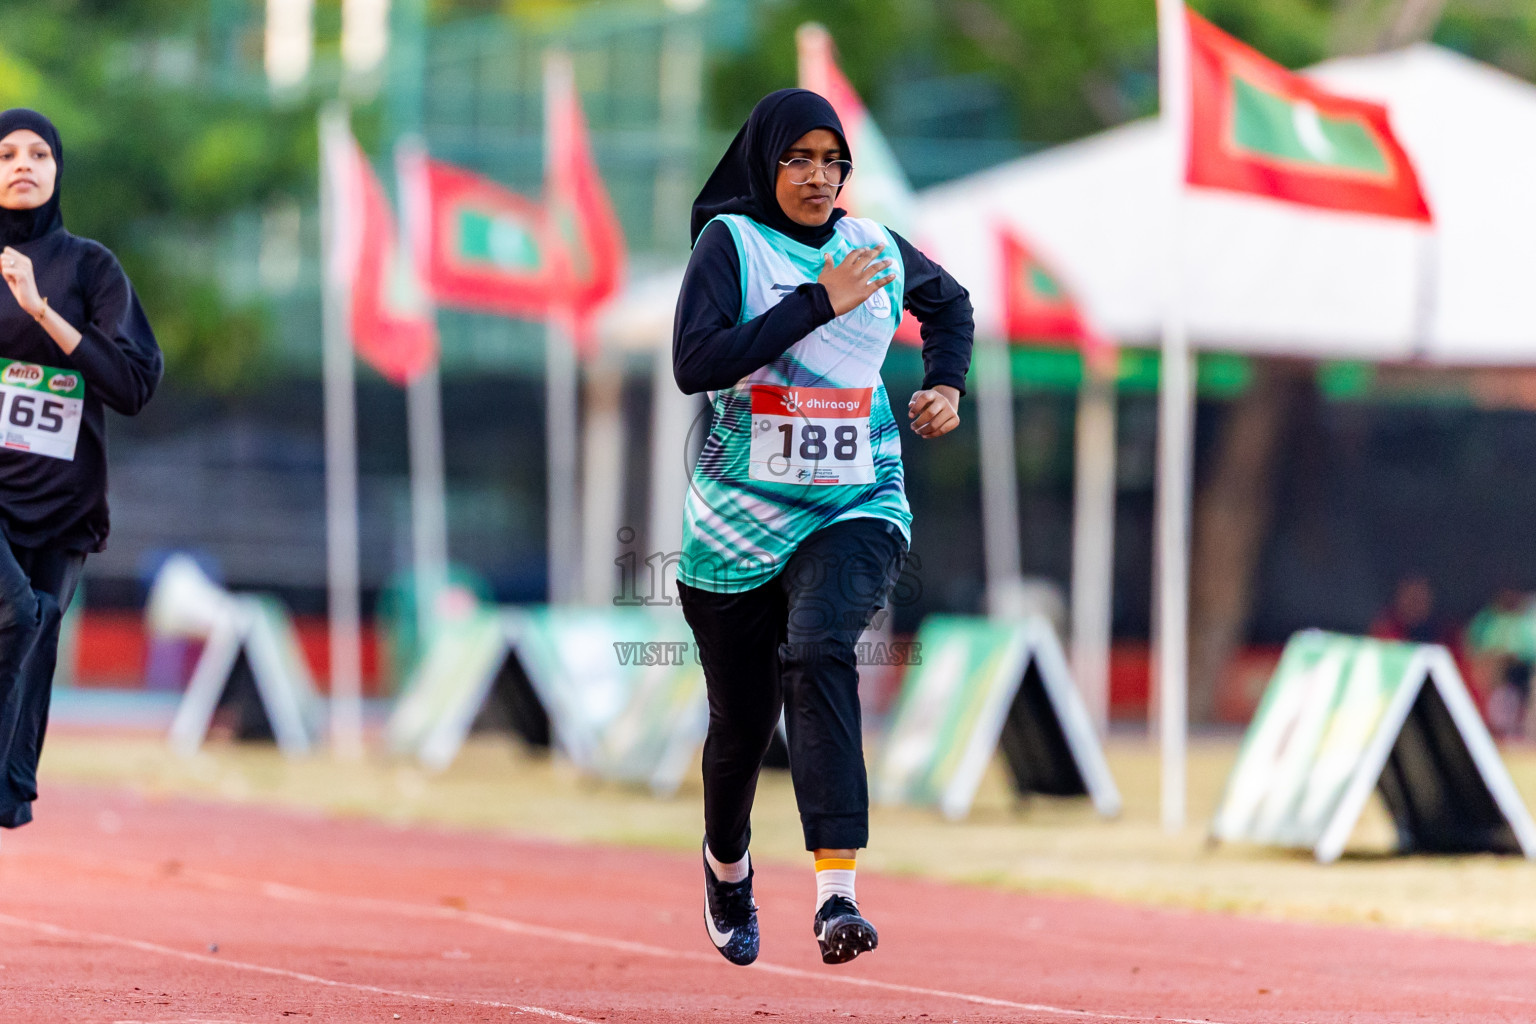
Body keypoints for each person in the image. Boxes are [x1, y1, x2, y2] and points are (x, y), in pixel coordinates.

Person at [672, 89, 973, 966]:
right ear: (764, 163)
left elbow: (949, 306)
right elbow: (697, 362)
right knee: (742, 722)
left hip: (856, 500)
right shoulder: (729, 245)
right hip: (735, 524)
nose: (817, 176)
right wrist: (816, 302)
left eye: (831, 159)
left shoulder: (874, 244)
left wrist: (946, 383)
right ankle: (727, 867)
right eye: (798, 158)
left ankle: (837, 893)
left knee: (818, 649)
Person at [0, 109, 162, 833]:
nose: (23, 164)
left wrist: (40, 311)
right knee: (16, 614)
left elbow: (130, 386)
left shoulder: (92, 269)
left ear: (59, 169)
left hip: (60, 508)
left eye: (39, 152)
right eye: (5, 154)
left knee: (29, 663)